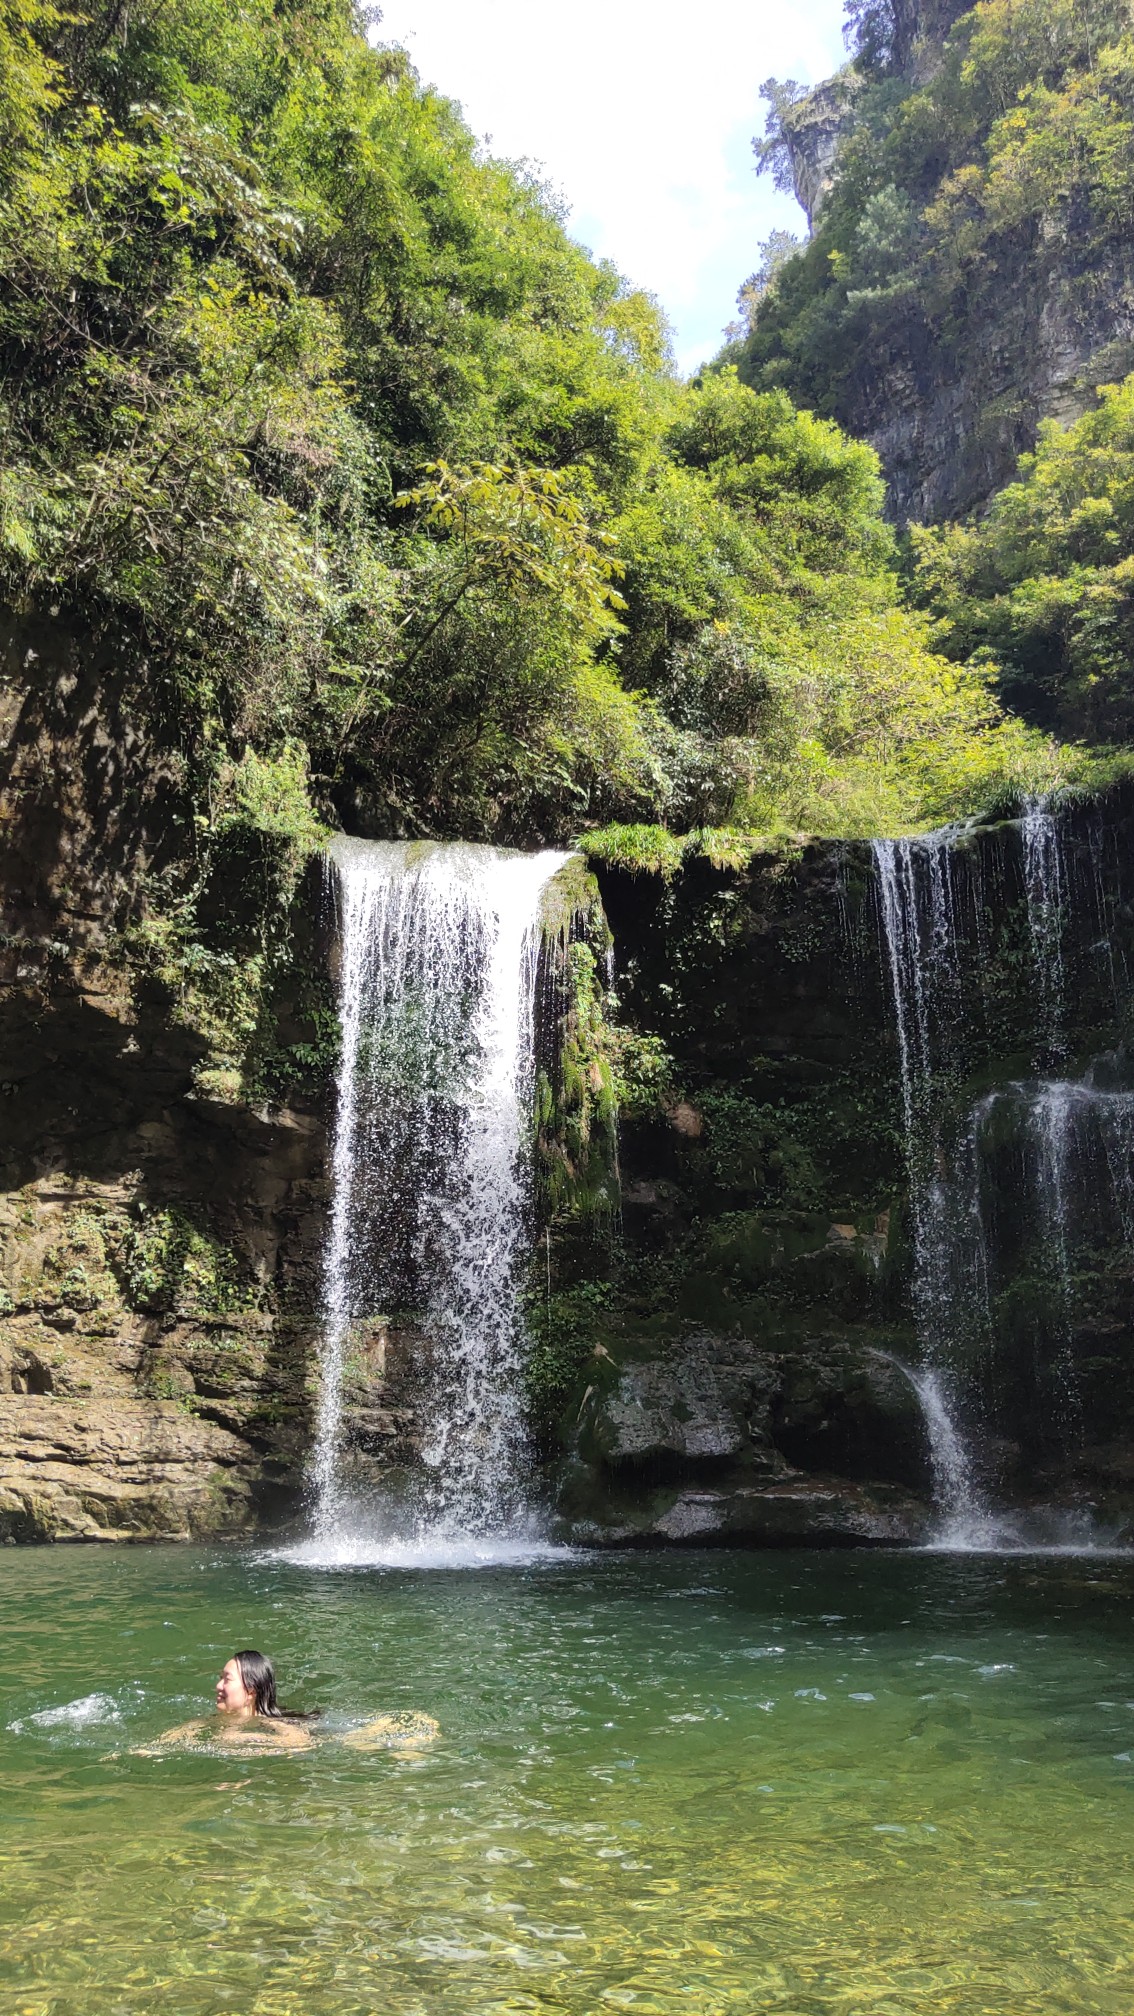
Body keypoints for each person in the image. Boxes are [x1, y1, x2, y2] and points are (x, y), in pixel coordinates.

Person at [138, 1650, 438, 1755]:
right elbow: (183, 1733)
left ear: (251, 1688)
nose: (218, 1686)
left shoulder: (275, 1725)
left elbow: (302, 1745)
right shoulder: (213, 1721)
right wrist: (146, 1749)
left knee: (367, 1741)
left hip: (342, 1734)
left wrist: (247, 1743)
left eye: (226, 1679)